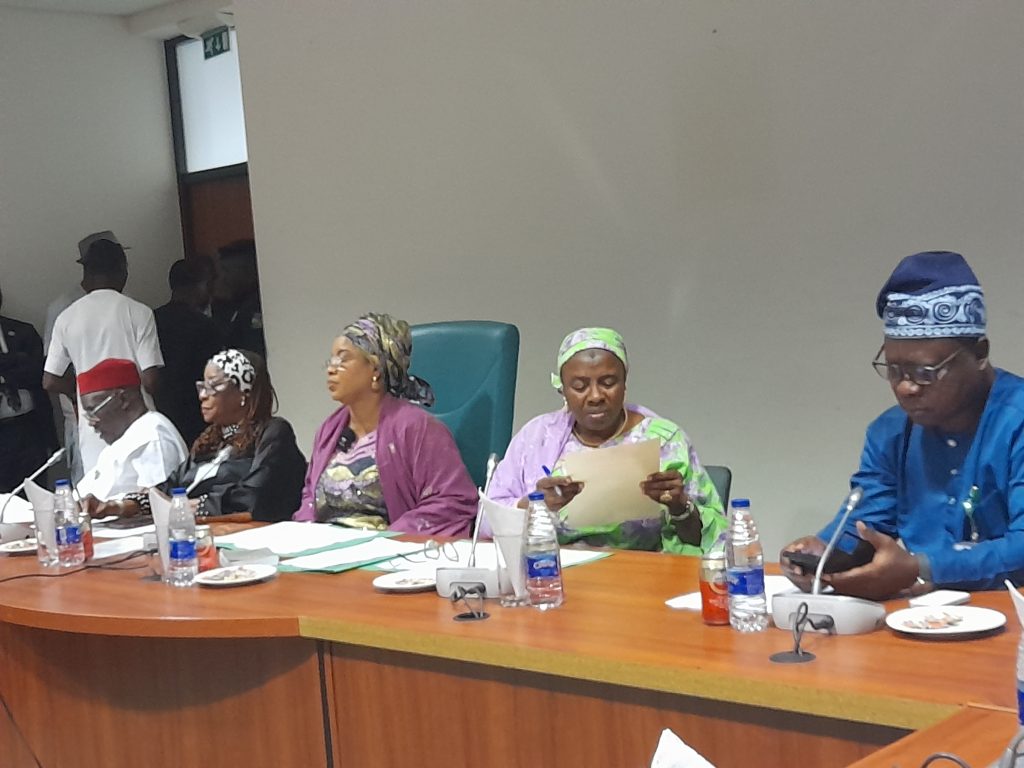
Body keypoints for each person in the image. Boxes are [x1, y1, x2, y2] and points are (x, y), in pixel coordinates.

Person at [781, 251, 1024, 599]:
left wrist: (922, 566)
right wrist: (825, 551)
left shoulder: (1016, 422)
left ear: (980, 353)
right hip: (921, 616)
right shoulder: (890, 432)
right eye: (894, 370)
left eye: (926, 372)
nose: (906, 387)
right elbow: (865, 522)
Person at [488, 328, 726, 553]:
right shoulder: (536, 438)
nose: (595, 396)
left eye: (608, 383)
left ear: (624, 383)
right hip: (552, 569)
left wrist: (679, 505)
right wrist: (534, 505)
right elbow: (487, 520)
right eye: (579, 386)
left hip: (643, 570)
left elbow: (712, 540)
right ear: (563, 390)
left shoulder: (664, 441)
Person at [292, 313, 477, 536]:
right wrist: (303, 535)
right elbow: (309, 496)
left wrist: (387, 539)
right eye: (331, 360)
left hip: (389, 549)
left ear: (375, 370)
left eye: (343, 359)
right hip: (325, 548)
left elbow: (452, 501)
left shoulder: (418, 428)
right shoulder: (329, 430)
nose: (331, 369)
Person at [89, 349, 306, 522]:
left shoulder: (273, 432)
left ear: (243, 393)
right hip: (201, 538)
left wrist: (191, 506)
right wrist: (114, 507)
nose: (203, 395)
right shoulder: (210, 441)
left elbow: (254, 497)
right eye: (202, 386)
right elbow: (166, 489)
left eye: (214, 386)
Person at [42, 233, 162, 475]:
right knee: (146, 492)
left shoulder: (66, 317)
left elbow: (50, 381)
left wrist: (82, 393)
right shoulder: (139, 312)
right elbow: (150, 381)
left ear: (86, 271)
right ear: (122, 269)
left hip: (94, 429)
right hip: (139, 428)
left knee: (97, 494)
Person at [75, 359, 187, 506]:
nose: (91, 422)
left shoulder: (152, 436)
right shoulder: (121, 441)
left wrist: (113, 508)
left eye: (93, 412)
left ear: (123, 399)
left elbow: (158, 506)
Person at [154, 259, 225, 444]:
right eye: (209, 283)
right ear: (200, 285)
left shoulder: (152, 321)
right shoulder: (206, 327)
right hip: (198, 417)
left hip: (161, 415)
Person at [0, 283, 56, 492]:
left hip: (29, 429)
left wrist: (4, 373)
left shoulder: (23, 332)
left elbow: (38, 372)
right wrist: (15, 362)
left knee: (37, 495)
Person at [211, 240, 266, 359]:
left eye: (227, 271)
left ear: (248, 271)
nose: (223, 278)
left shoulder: (258, 307)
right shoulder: (228, 306)